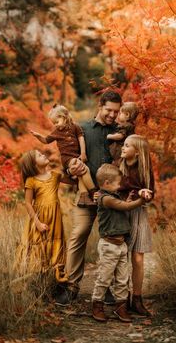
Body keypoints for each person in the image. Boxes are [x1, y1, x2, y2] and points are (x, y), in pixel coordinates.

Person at [55, 90, 122, 306]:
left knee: (112, 240)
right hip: (85, 194)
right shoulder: (82, 129)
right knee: (78, 235)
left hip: (112, 199)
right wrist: (71, 168)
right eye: (109, 110)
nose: (113, 115)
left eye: (117, 111)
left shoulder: (120, 132)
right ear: (100, 106)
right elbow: (67, 159)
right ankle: (72, 286)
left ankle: (109, 287)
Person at [92, 164, 151, 323]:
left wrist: (129, 199)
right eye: (118, 183)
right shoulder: (106, 199)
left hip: (121, 245)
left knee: (122, 278)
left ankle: (120, 306)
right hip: (109, 245)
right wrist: (139, 200)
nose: (120, 186)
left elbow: (123, 207)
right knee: (104, 277)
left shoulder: (115, 196)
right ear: (106, 183)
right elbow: (124, 206)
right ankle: (97, 304)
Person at [14, 149, 67, 282]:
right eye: (39, 155)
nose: (43, 154)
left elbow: (71, 177)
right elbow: (27, 203)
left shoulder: (55, 175)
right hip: (39, 218)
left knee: (55, 243)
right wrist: (37, 223)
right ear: (33, 164)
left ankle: (54, 279)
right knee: (39, 245)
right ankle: (36, 281)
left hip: (55, 219)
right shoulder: (31, 181)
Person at [30, 104, 97, 207]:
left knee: (80, 175)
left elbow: (81, 139)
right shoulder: (56, 132)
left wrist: (83, 153)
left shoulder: (75, 127)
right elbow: (46, 140)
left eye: (56, 122)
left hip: (77, 156)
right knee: (84, 169)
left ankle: (84, 197)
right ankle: (94, 192)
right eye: (53, 123)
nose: (55, 125)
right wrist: (39, 136)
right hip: (67, 158)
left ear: (64, 117)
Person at [118, 134, 155, 316]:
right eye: (123, 145)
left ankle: (137, 299)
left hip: (138, 214)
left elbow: (151, 191)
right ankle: (122, 298)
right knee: (122, 257)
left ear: (138, 152)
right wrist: (136, 190)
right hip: (121, 214)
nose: (123, 148)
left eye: (127, 146)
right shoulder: (119, 166)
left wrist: (146, 193)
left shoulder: (145, 169)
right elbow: (119, 186)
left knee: (138, 259)